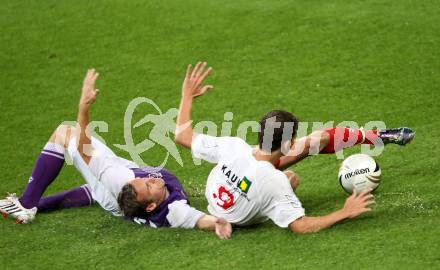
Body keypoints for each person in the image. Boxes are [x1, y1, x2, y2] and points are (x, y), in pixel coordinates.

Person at [174, 61, 415, 233]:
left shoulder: (233, 147)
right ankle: (376, 135)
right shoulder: (274, 182)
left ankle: (378, 135)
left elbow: (181, 135)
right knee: (289, 179)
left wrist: (187, 95)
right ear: (288, 144)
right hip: (238, 217)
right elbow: (300, 225)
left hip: (219, 192)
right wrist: (345, 212)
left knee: (318, 139)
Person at [0, 69, 232, 240]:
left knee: (66, 132)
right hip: (113, 199)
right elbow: (201, 220)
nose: (151, 178)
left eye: (146, 183)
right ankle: (32, 205)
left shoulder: (122, 181)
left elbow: (84, 148)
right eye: (147, 184)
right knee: (96, 184)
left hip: (112, 194)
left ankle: (27, 203)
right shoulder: (172, 210)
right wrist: (218, 222)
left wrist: (83, 109)